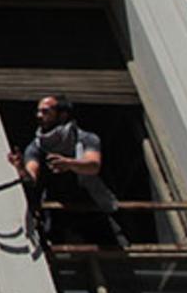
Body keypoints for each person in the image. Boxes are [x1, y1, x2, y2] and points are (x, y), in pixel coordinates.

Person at [9, 93, 122, 250]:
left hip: (91, 206)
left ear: (62, 115)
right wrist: (20, 168)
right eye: (38, 111)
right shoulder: (35, 147)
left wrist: (69, 164)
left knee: (110, 250)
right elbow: (31, 179)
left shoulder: (85, 139)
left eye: (46, 111)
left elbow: (93, 165)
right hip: (57, 212)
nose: (39, 116)